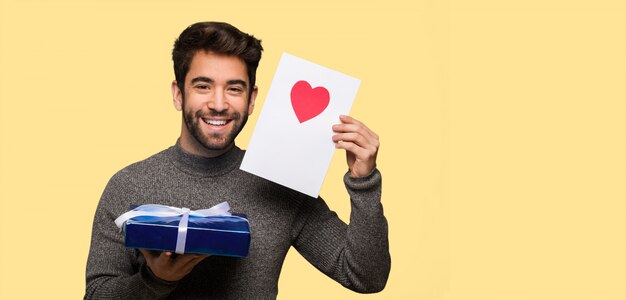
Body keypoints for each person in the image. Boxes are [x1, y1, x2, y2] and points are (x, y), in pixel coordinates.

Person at [85, 21, 390, 299]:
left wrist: (363, 182)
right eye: (203, 86)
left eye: (234, 89)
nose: (219, 104)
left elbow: (365, 276)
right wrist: (156, 279)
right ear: (179, 94)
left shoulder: (280, 182)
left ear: (252, 99)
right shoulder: (129, 185)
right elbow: (96, 294)